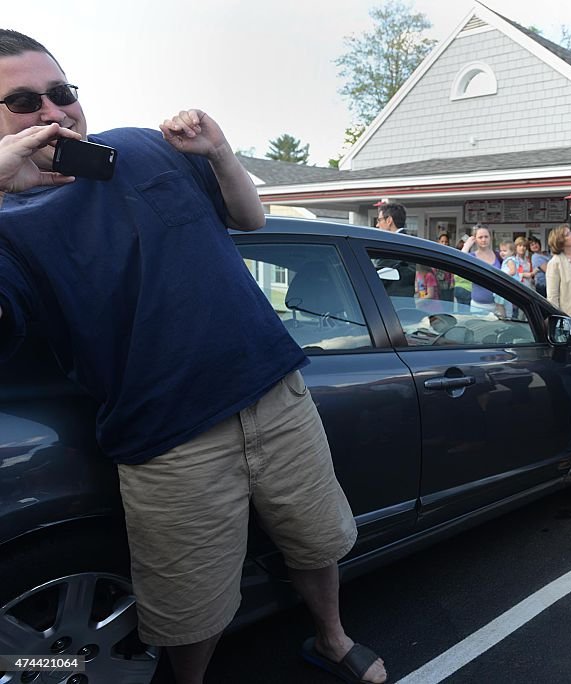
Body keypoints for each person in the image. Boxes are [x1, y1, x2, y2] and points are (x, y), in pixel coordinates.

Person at [0, 30, 386, 684]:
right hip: (166, 436)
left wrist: (221, 152)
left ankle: (332, 638)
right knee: (189, 606)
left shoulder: (140, 147)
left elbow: (251, 219)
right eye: (22, 100)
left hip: (274, 390)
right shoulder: (10, 228)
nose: (53, 111)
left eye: (61, 92)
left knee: (317, 542)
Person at [460, 223, 502, 310]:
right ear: (475, 239)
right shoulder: (472, 256)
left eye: (486, 236)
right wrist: (467, 245)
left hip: (497, 305)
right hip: (478, 305)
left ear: (490, 238)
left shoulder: (498, 255)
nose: (483, 240)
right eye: (480, 237)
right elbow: (460, 262)